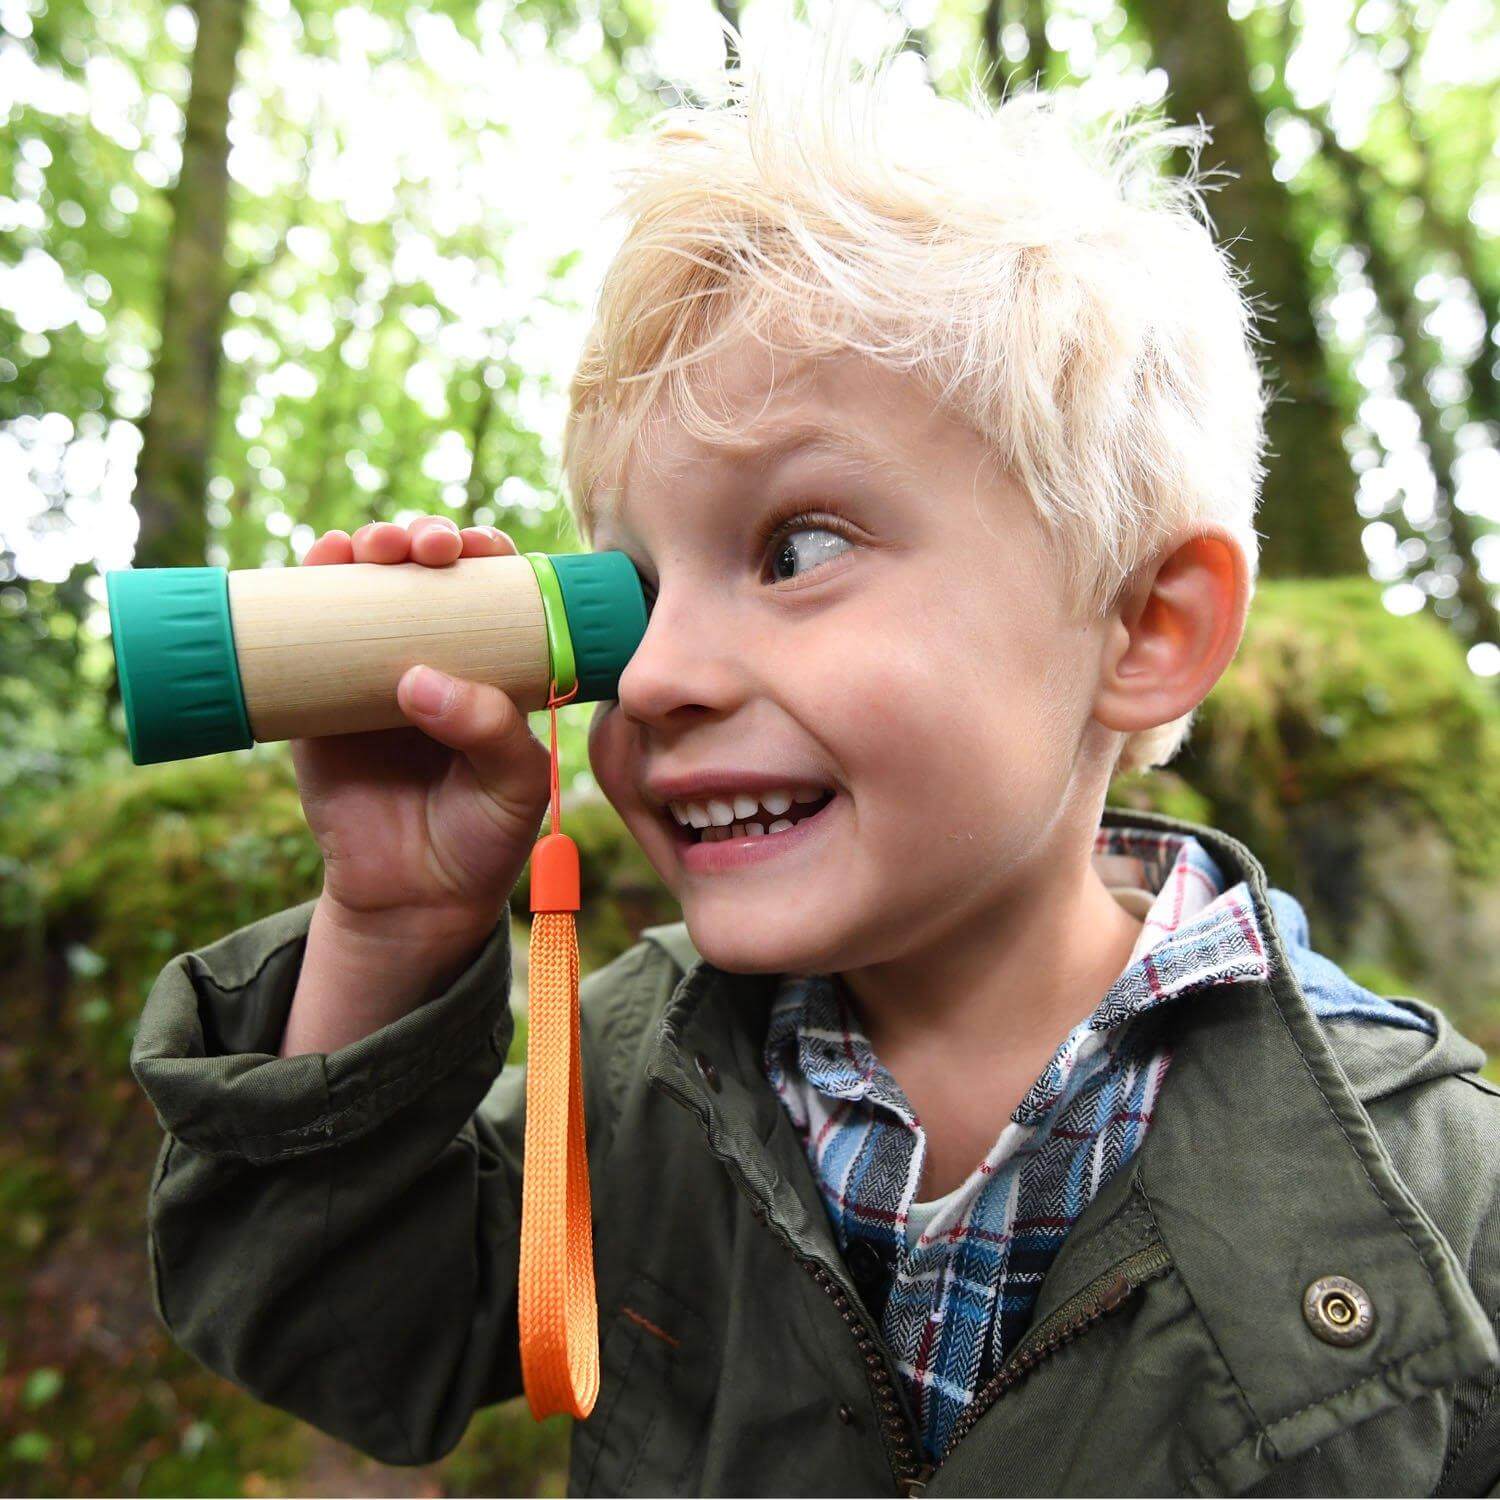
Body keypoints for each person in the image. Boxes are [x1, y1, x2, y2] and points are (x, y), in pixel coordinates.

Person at [130, 15, 1500, 1495]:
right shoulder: (632, 1076)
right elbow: (349, 1339)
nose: (651, 676)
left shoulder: (1429, 1195)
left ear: (1142, 625)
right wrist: (388, 928)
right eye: (628, 593)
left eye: (797, 547)